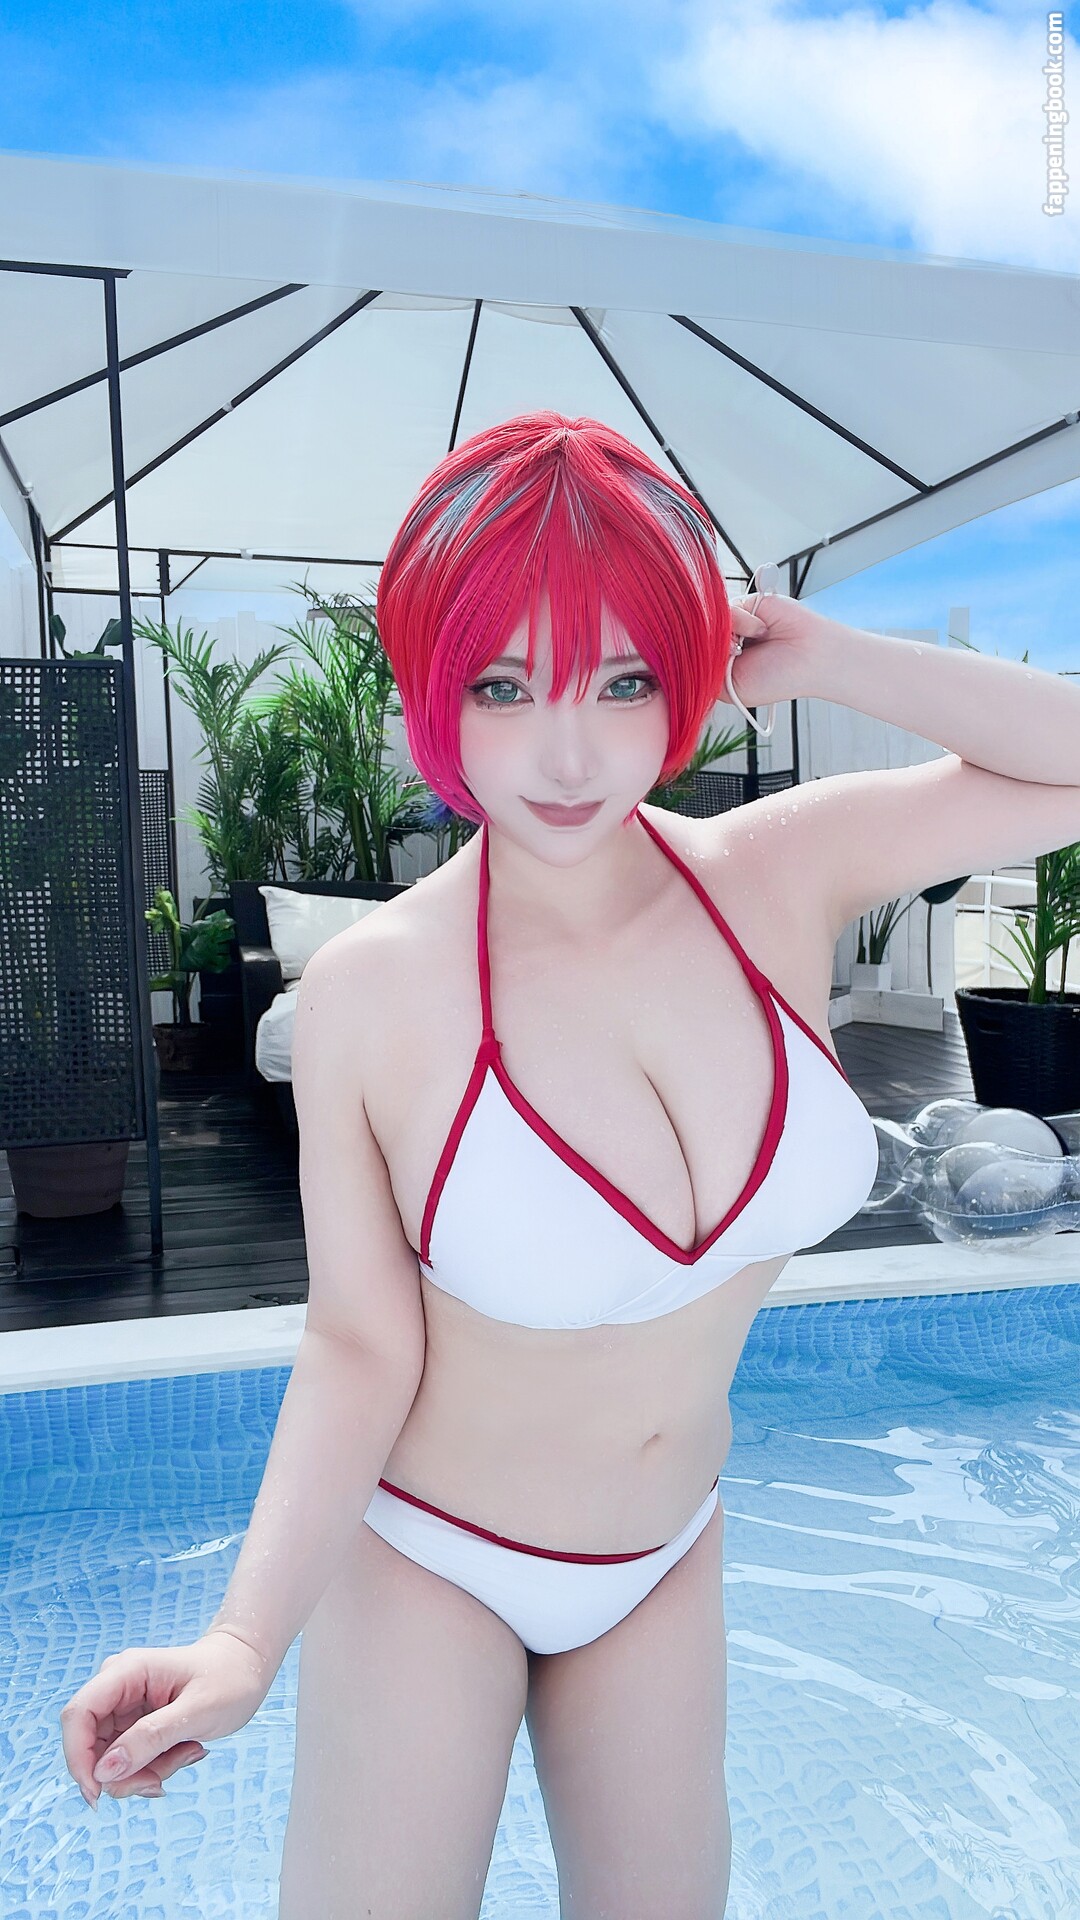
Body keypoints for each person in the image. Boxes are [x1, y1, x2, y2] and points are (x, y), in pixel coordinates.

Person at [60, 411, 1078, 1919]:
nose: (567, 750)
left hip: (666, 1552)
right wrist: (243, 1641)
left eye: (622, 677)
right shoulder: (375, 992)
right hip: (436, 1557)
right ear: (434, 686)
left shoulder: (781, 870)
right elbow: (359, 1343)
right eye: (502, 682)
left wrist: (827, 655)